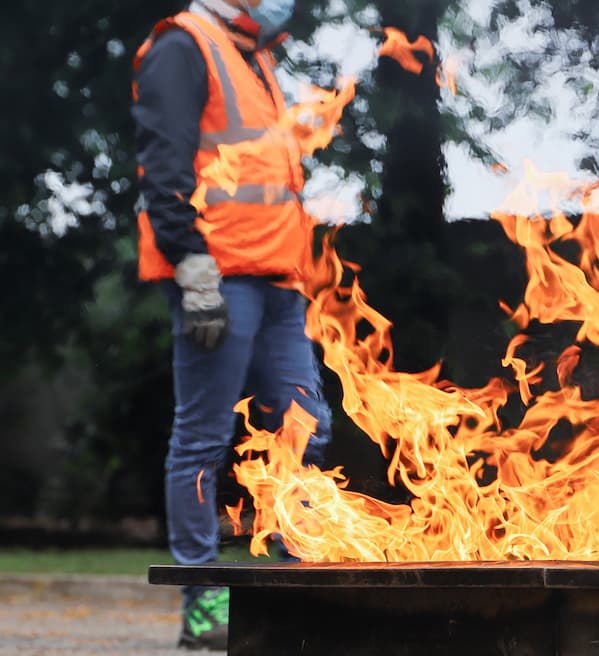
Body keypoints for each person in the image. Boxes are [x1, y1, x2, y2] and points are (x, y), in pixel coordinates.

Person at [131, 0, 332, 649]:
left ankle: (300, 590)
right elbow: (163, 173)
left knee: (307, 427)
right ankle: (203, 608)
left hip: (278, 277)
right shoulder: (182, 47)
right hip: (217, 275)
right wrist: (193, 274)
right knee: (203, 439)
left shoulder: (254, 55)